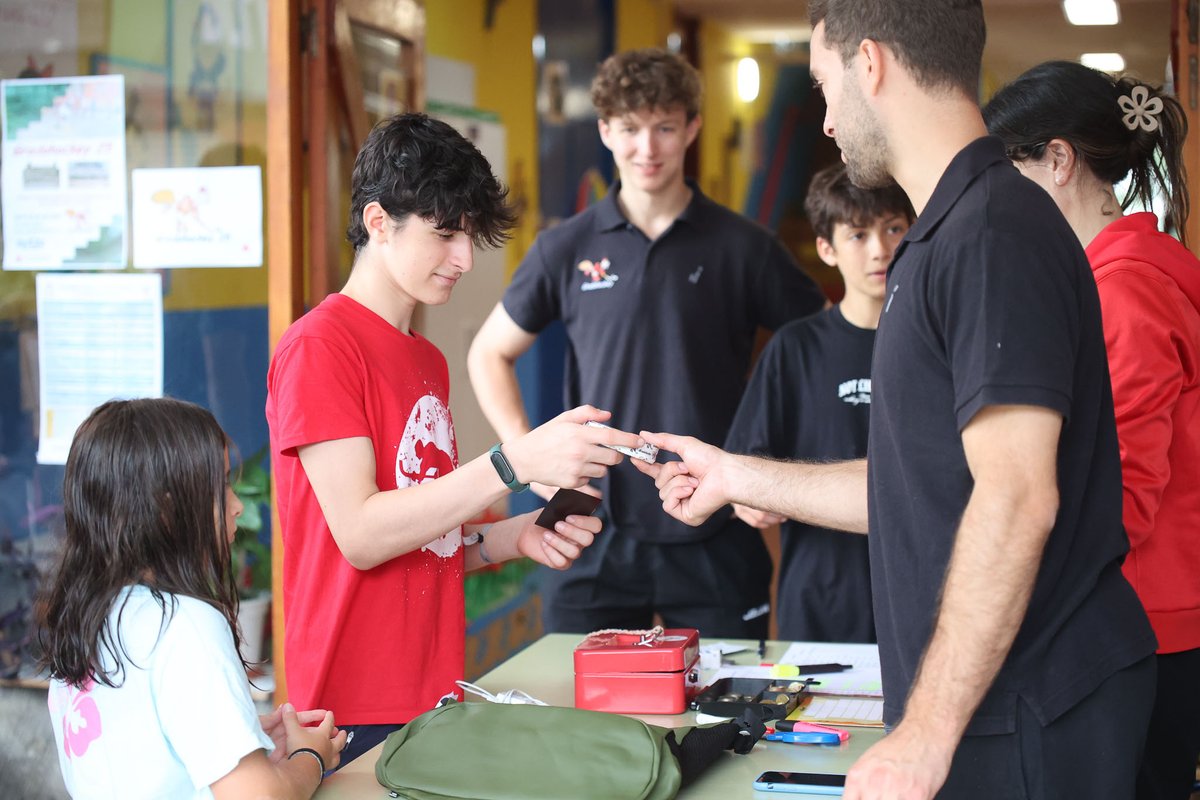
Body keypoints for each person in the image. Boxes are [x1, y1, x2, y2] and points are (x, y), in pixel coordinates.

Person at [634, 2, 1158, 798]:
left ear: (869, 64)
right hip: (988, 705)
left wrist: (926, 731)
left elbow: (1016, 497)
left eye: (824, 83)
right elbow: (919, 485)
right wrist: (737, 476)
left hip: (1029, 710)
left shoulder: (990, 235)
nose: (829, 117)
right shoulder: (941, 236)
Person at [266, 112, 644, 766]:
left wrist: (513, 538)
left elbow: (425, 538)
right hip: (347, 709)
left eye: (470, 236)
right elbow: (361, 534)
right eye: (445, 234)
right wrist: (512, 463)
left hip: (432, 690)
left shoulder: (425, 359)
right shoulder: (319, 349)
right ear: (379, 223)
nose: (465, 259)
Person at [467, 48, 826, 638]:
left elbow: (822, 346)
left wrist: (773, 466)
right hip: (590, 523)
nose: (648, 148)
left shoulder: (744, 247)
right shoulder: (567, 248)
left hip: (714, 520)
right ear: (606, 130)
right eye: (630, 129)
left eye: (664, 127)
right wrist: (528, 464)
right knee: (582, 716)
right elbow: (489, 353)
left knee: (728, 717)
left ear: (692, 127)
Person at [984, 61, 1200, 800]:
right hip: (1145, 611)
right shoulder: (1116, 273)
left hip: (1146, 621)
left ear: (1058, 160)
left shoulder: (1126, 286)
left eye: (1005, 168)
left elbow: (1128, 491)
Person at [36, 398, 346, 799]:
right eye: (220, 486)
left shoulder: (86, 618)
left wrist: (242, 741)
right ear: (167, 508)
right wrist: (310, 758)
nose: (236, 506)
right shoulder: (184, 623)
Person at [724, 163, 912, 643]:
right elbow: (745, 467)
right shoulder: (794, 349)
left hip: (921, 592)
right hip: (819, 599)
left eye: (893, 228)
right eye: (858, 234)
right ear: (826, 248)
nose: (880, 249)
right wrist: (752, 500)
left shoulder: (936, 344)